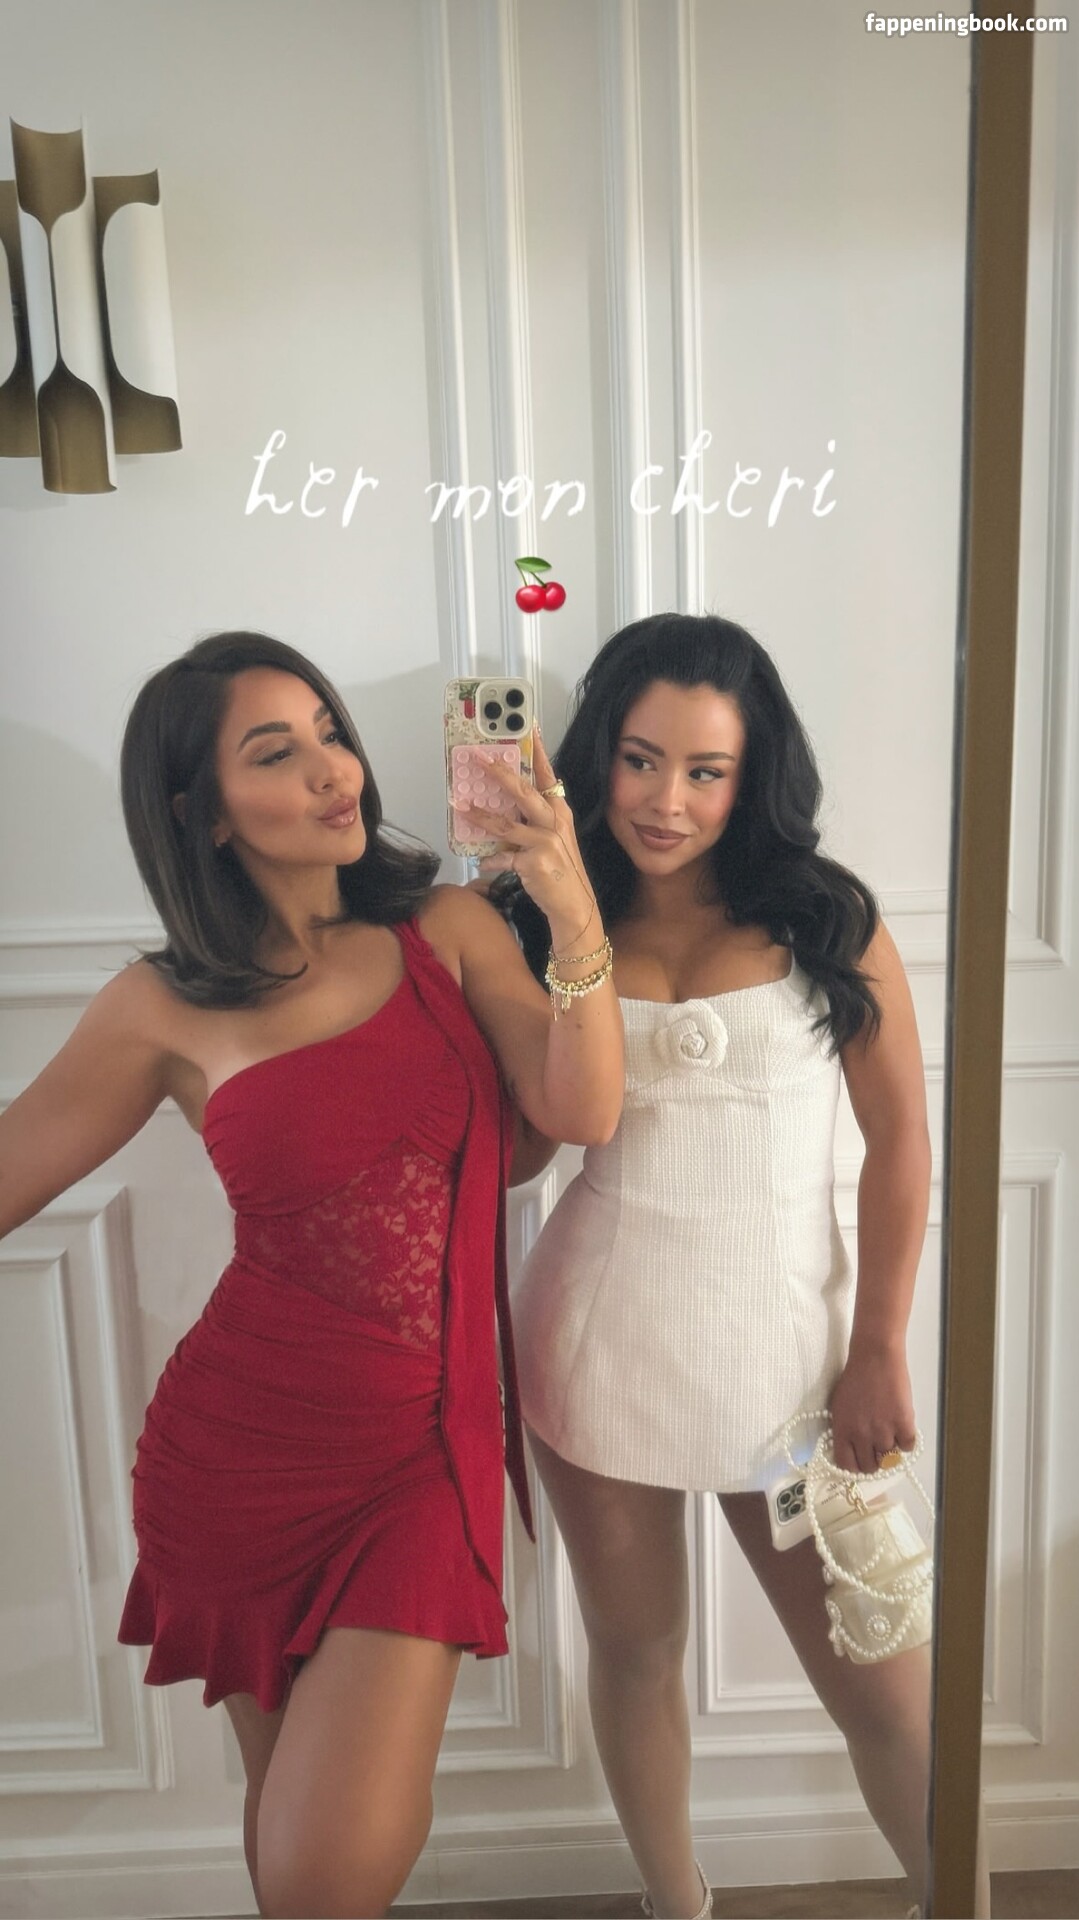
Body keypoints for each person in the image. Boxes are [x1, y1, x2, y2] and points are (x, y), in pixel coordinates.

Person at [0, 630, 622, 1920]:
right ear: (201, 811)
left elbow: (581, 1108)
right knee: (290, 1836)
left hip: (422, 1457)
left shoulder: (444, 929)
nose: (337, 771)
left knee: (319, 1871)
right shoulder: (161, 1005)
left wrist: (568, 903)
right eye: (278, 754)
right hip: (236, 1456)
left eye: (331, 734)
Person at [496, 612, 988, 1920]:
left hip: (794, 1386)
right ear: (598, 755)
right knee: (637, 1651)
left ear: (750, 772)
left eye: (705, 770)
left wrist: (879, 1347)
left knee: (888, 1688)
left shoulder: (826, 916)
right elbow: (521, 1158)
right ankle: (678, 1907)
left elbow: (902, 1141)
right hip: (598, 1352)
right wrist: (555, 916)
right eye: (641, 760)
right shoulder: (538, 921)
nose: (668, 800)